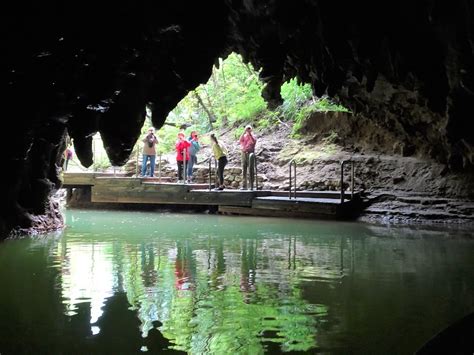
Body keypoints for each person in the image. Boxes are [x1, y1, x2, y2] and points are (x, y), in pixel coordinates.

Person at [239, 124, 257, 189]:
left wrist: (250, 134)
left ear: (251, 129)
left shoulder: (253, 136)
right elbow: (240, 140)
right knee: (244, 169)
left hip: (250, 154)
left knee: (251, 169)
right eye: (247, 129)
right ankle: (244, 185)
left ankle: (251, 185)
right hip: (244, 153)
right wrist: (244, 131)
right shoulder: (244, 135)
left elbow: (253, 142)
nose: (248, 130)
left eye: (249, 129)